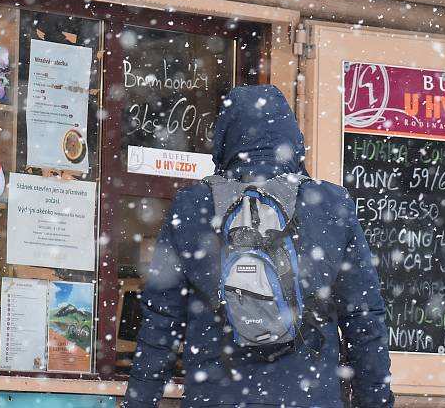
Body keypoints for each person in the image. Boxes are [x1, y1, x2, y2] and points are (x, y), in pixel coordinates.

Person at [123, 85, 393, 408]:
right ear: (293, 138)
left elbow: (160, 324)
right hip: (308, 399)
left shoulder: (192, 206)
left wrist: (139, 402)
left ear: (224, 138)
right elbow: (365, 321)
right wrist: (375, 400)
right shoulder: (331, 206)